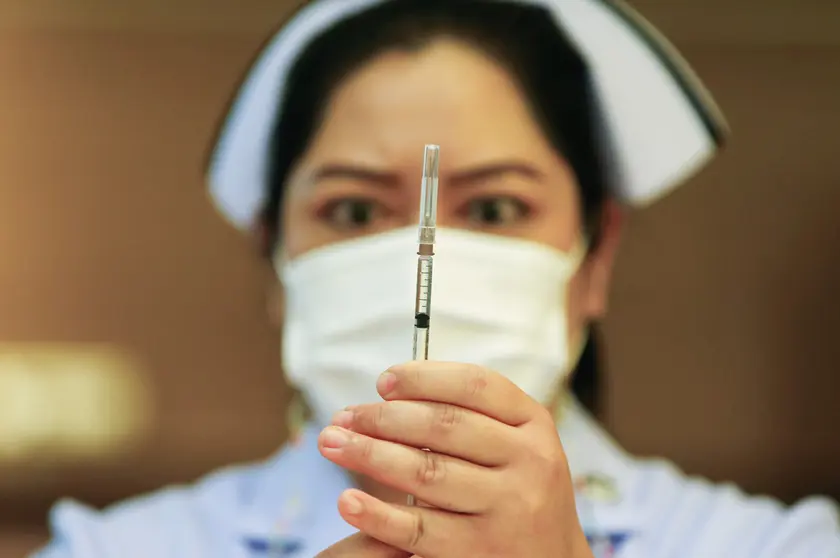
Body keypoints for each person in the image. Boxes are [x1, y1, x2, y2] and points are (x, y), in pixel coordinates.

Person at [33, 0, 840, 557]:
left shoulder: (779, 547)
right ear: (275, 260)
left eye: (493, 208)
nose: (427, 254)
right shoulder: (113, 547)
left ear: (596, 259)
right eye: (351, 212)